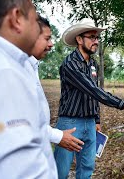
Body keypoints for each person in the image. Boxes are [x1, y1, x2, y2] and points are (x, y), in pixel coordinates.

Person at [0, 0, 57, 178]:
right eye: (35, 19)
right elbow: (21, 171)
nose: (38, 28)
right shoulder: (1, 73)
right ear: (16, 19)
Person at [54, 18, 124, 179]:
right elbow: (93, 90)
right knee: (61, 170)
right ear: (79, 39)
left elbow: (95, 94)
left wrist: (97, 119)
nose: (96, 41)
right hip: (70, 123)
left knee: (87, 168)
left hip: (90, 123)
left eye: (97, 38)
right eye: (92, 37)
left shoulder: (93, 64)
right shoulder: (70, 64)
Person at [30, 15, 84, 152]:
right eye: (47, 39)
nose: (51, 44)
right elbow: (22, 122)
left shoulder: (32, 66)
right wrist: (57, 136)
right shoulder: (70, 63)